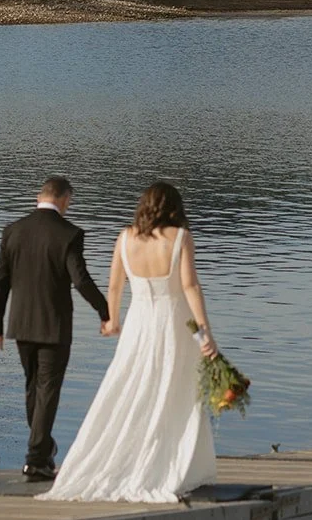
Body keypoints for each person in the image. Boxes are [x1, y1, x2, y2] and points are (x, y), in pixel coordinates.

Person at [39, 181, 220, 503]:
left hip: (138, 324)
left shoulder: (125, 238)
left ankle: (120, 459)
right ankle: (170, 465)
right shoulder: (180, 238)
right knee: (173, 391)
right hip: (174, 325)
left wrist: (113, 321)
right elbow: (190, 287)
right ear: (175, 208)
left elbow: (114, 286)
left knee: (129, 386)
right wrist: (205, 333)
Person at [0, 176, 112, 482]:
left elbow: (0, 281)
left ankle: (41, 450)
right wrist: (105, 311)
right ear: (66, 199)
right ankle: (36, 459)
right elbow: (80, 280)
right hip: (54, 326)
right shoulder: (69, 234)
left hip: (21, 325)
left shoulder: (13, 231)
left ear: (38, 196)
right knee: (47, 390)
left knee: (34, 387)